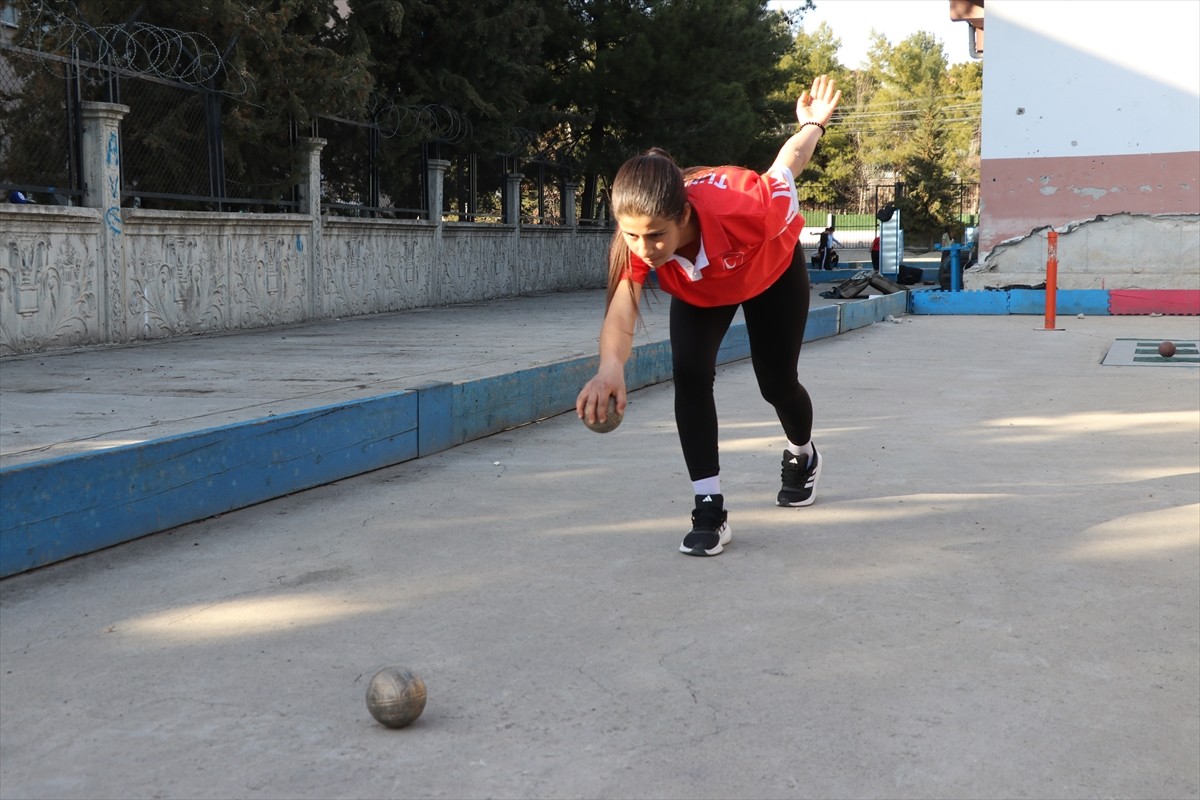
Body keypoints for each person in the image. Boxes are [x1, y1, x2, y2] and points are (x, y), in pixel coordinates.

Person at [576, 74, 842, 557]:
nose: (645, 249)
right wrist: (610, 368)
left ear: (683, 215)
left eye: (656, 236)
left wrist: (813, 125)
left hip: (770, 272)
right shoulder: (638, 240)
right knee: (691, 374)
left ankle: (803, 455)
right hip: (704, 292)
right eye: (632, 236)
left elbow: (789, 162)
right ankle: (709, 505)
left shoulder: (749, 207)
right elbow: (621, 310)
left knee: (776, 384)